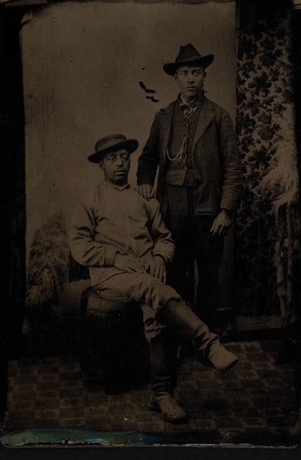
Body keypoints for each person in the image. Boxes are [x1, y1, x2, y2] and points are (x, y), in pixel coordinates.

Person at [70, 133, 238, 424]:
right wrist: (116, 258)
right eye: (112, 159)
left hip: (145, 275)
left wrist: (160, 257)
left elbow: (165, 239)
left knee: (157, 313)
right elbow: (79, 246)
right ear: (101, 165)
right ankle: (208, 343)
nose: (120, 164)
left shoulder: (144, 199)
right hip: (110, 276)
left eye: (124, 157)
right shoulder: (90, 200)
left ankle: (161, 395)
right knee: (155, 289)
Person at [136, 44, 243, 421]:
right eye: (184, 73)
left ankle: (206, 342)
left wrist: (226, 209)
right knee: (176, 278)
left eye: (196, 72)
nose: (191, 79)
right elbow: (147, 158)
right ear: (176, 78)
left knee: (209, 278)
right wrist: (146, 184)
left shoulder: (219, 116)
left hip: (207, 212)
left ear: (204, 77)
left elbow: (232, 165)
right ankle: (184, 340)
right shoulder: (163, 117)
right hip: (172, 212)